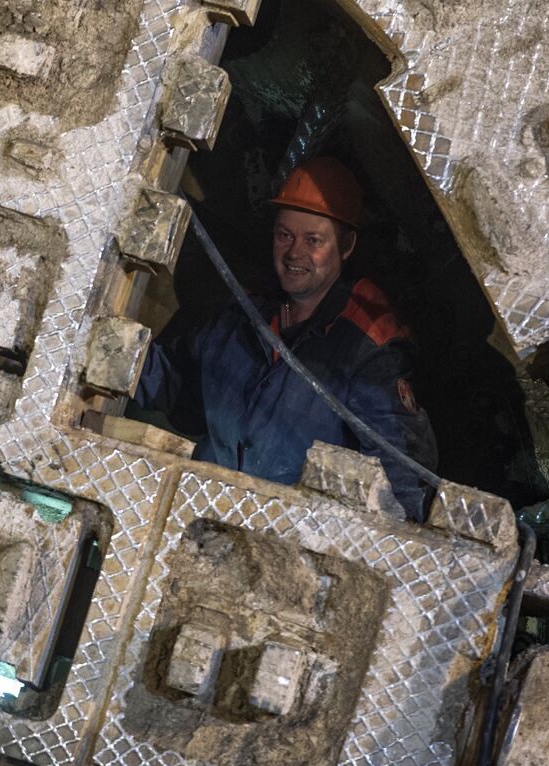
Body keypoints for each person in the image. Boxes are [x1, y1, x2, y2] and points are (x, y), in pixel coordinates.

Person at [134, 157, 438, 520]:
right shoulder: (246, 312)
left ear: (347, 245)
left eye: (314, 240)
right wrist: (126, 359)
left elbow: (403, 489)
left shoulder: (367, 351)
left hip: (287, 540)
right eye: (285, 235)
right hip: (205, 510)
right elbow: (178, 383)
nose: (295, 253)